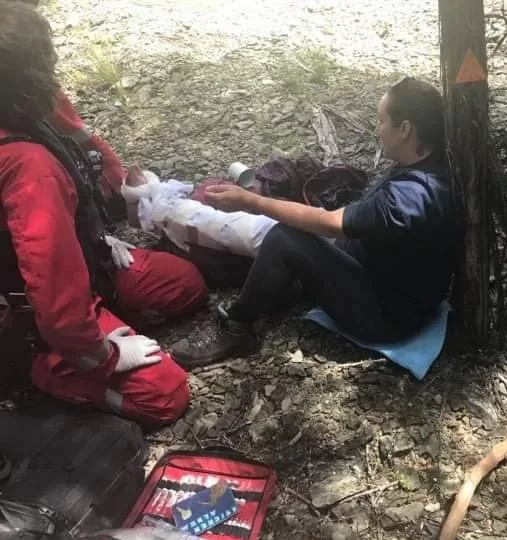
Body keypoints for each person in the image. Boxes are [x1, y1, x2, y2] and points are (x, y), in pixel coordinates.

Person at [0, 3, 209, 426]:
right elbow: (52, 284)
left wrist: (94, 233)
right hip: (27, 307)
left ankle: (95, 318)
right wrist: (101, 355)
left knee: (184, 285)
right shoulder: (28, 167)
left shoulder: (24, 117)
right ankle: (33, 364)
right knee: (163, 394)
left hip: (73, 264)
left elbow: (81, 157)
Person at [171, 77, 463, 369]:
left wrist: (251, 202)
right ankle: (283, 284)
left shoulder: (409, 198)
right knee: (300, 228)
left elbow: (331, 223)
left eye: (381, 121)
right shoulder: (435, 164)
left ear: (405, 129)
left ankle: (236, 328)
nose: (377, 129)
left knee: (285, 238)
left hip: (385, 318)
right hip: (392, 282)